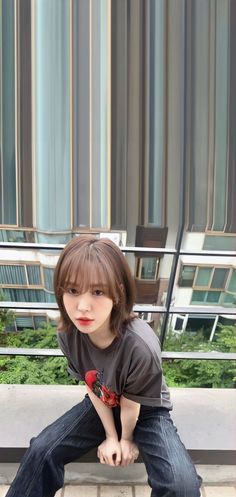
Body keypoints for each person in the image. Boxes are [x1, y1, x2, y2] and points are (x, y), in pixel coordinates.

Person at [6, 235, 202, 497]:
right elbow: (92, 387)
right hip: (103, 401)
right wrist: (110, 435)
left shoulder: (140, 345)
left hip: (146, 410)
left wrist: (126, 440)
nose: (83, 307)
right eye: (73, 291)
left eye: (98, 292)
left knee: (183, 487)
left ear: (117, 293)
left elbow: (133, 406)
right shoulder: (69, 334)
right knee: (42, 451)